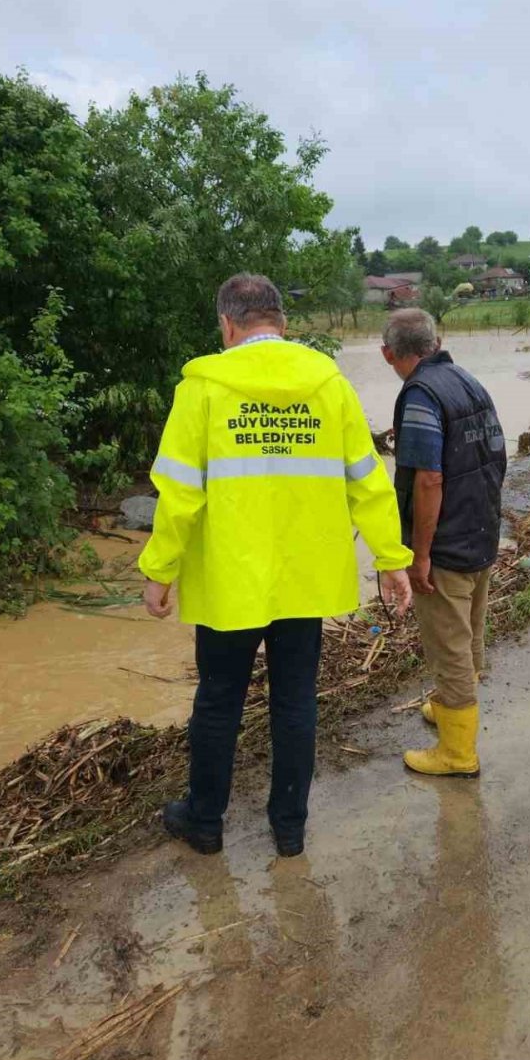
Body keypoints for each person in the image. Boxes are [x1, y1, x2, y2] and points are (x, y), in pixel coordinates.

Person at [140, 274, 412, 858]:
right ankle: (289, 827)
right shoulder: (329, 386)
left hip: (230, 581)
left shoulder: (203, 389)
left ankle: (205, 822)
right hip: (304, 578)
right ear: (283, 325)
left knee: (218, 700)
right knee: (295, 701)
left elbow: (180, 492)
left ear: (227, 325)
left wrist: (159, 570)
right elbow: (367, 481)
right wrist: (392, 560)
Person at [381, 310, 506, 778]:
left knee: (449, 643)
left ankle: (457, 753)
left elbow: (429, 479)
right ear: (438, 342)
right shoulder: (466, 380)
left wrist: (420, 553)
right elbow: (495, 452)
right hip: (481, 528)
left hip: (447, 543)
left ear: (388, 354)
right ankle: (451, 707)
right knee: (470, 629)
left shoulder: (419, 394)